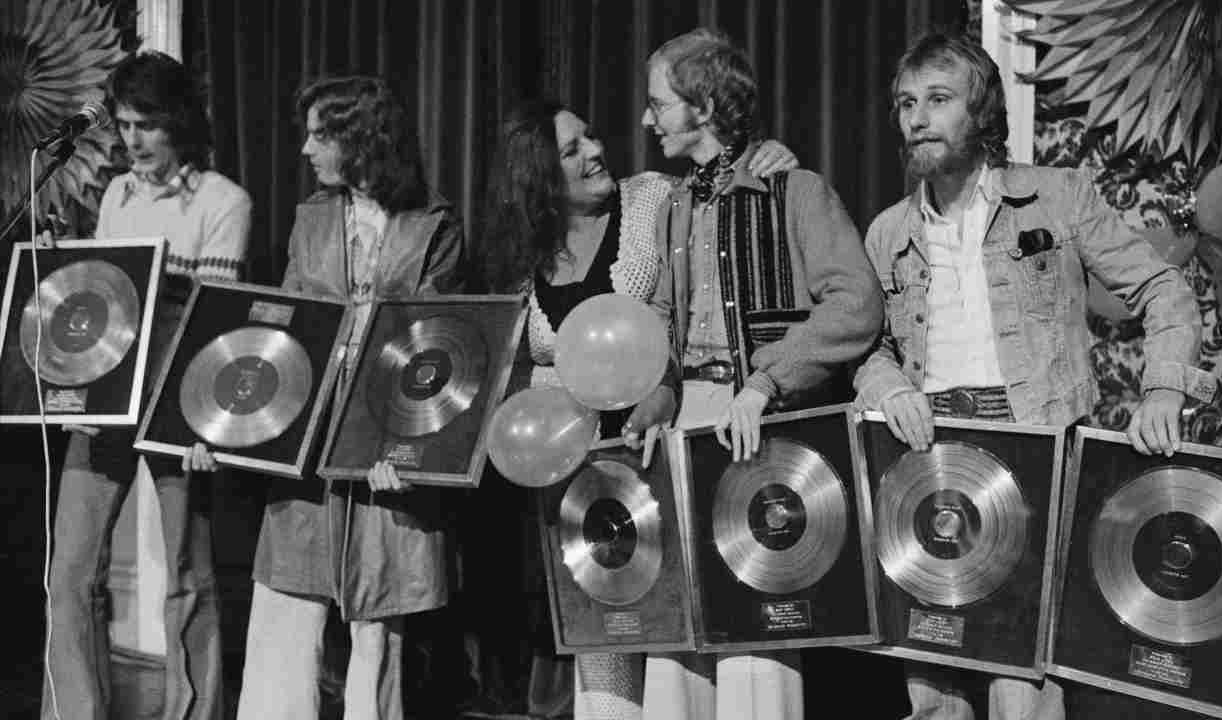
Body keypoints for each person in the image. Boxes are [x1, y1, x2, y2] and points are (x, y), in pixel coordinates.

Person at [851, 31, 1216, 720]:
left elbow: (1163, 288)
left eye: (937, 99)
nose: (917, 119)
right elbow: (866, 348)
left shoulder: (1059, 197)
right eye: (905, 104)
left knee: (1021, 685)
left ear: (981, 111)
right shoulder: (886, 231)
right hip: (924, 454)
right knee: (932, 685)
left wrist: (1164, 387)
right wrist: (888, 388)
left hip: (1034, 449)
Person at [471, 99, 797, 720]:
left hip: (665, 448)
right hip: (582, 474)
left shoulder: (652, 197)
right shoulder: (522, 260)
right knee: (605, 640)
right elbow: (520, 368)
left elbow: (721, 204)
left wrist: (768, 158)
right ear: (538, 176)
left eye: (591, 136)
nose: (596, 152)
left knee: (683, 645)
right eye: (572, 150)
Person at [191, 75, 463, 720]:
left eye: (320, 135)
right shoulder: (311, 216)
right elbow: (282, 333)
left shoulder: (433, 224)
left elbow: (441, 345)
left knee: (379, 625)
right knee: (285, 611)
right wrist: (223, 429)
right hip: (308, 445)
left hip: (385, 442)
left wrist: (410, 452)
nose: (306, 149)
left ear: (361, 138)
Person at [637, 27, 884, 720]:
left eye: (659, 103)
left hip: (762, 423)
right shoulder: (674, 205)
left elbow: (857, 305)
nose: (648, 120)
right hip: (687, 422)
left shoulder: (795, 190)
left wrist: (766, 380)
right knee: (678, 632)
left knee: (757, 628)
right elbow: (662, 315)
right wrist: (656, 391)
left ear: (704, 105)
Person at [41, 50, 251, 720]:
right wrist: (83, 386)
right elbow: (106, 305)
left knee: (188, 576)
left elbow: (216, 324)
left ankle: (196, 712)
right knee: (69, 574)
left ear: (179, 122)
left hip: (176, 404)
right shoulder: (116, 195)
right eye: (125, 125)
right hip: (109, 403)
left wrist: (202, 426)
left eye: (147, 125)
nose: (132, 139)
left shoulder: (223, 201)